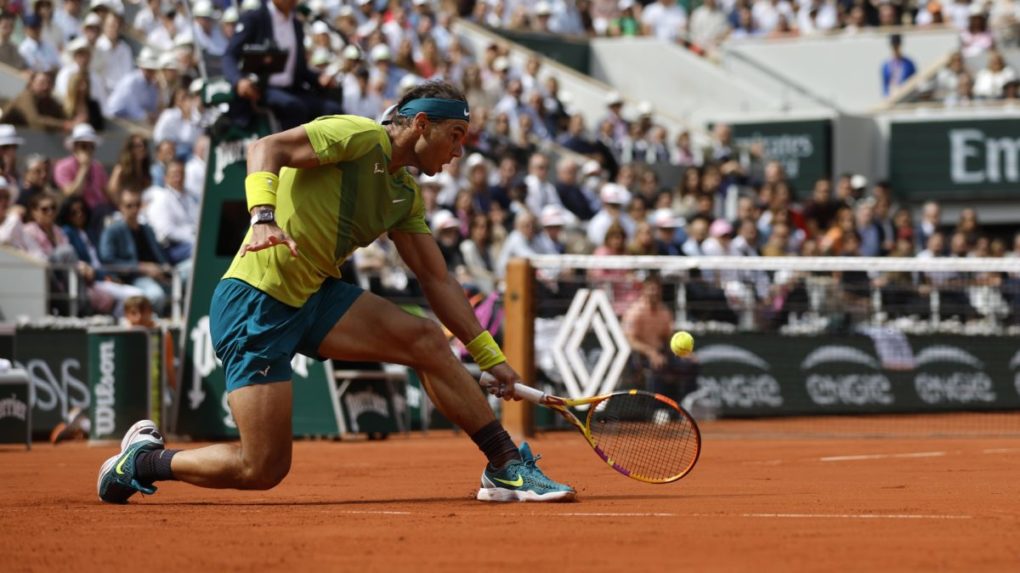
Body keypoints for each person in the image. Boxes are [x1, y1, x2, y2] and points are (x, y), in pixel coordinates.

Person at [97, 81, 574, 505]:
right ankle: (142, 462)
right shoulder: (358, 135)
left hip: (315, 296)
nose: (458, 152)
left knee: (426, 340)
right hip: (256, 300)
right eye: (455, 137)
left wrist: (491, 358)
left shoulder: (403, 195)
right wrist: (263, 217)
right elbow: (266, 147)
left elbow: (438, 280)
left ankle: (505, 466)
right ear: (422, 124)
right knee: (261, 468)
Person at [223, 0, 343, 130]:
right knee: (294, 107)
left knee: (332, 110)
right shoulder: (255, 18)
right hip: (262, 89)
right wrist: (239, 80)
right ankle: (291, 150)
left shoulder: (296, 24)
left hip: (293, 90)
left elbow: (299, 69)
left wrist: (319, 78)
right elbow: (229, 55)